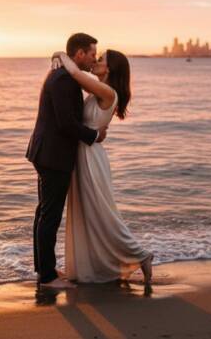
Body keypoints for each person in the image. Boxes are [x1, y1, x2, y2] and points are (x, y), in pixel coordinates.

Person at [52, 48, 154, 285]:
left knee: (102, 213)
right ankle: (92, 266)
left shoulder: (108, 92)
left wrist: (60, 53)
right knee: (89, 214)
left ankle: (141, 255)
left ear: (109, 69)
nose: (96, 62)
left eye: (101, 59)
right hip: (84, 154)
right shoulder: (99, 91)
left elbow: (76, 74)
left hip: (90, 158)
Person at [26, 33, 108, 289]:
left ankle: (44, 268)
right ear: (80, 54)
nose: (95, 58)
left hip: (47, 152)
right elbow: (66, 123)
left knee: (44, 213)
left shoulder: (65, 75)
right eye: (93, 53)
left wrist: (58, 54)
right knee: (50, 215)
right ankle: (47, 277)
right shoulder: (64, 79)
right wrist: (94, 135)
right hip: (53, 155)